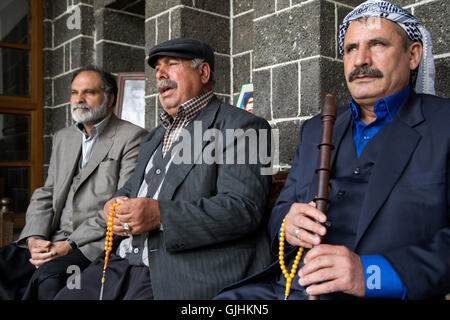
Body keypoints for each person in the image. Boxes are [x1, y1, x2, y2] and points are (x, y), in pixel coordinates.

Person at [215, 0, 450, 300]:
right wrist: (288, 225)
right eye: (351, 49)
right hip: (288, 290)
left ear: (413, 55)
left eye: (377, 44)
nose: (360, 59)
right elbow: (280, 214)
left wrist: (370, 274)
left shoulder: (443, 125)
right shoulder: (314, 128)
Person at [55, 38, 273, 300]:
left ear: (203, 73)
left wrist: (161, 216)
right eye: (158, 68)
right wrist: (112, 205)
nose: (160, 74)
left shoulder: (246, 127)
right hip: (121, 263)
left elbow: (244, 209)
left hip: (181, 272)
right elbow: (132, 188)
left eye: (171, 64)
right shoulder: (155, 136)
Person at [0, 66, 147, 300]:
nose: (79, 99)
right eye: (74, 93)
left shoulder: (132, 137)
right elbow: (46, 193)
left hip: (90, 245)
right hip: (51, 240)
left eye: (88, 92)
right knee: (4, 263)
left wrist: (69, 243)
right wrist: (34, 238)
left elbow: (120, 206)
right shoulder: (63, 137)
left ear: (109, 98)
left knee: (49, 281)